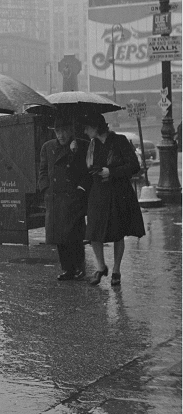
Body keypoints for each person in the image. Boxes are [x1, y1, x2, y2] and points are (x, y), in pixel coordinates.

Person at [79, 113, 145, 287]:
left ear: (96, 127)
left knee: (117, 232)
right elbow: (87, 169)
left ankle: (116, 270)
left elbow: (134, 166)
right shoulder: (92, 145)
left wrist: (111, 172)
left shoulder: (119, 140)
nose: (85, 131)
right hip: (98, 193)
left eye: (87, 127)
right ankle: (101, 267)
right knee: (93, 232)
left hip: (118, 192)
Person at [38, 115, 90, 281]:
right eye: (57, 131)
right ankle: (67, 269)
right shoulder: (48, 147)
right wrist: (46, 189)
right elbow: (43, 170)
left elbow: (86, 171)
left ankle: (79, 268)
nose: (60, 135)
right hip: (54, 198)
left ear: (70, 131)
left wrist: (81, 189)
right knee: (59, 237)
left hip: (73, 197)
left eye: (63, 131)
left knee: (74, 236)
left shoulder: (80, 146)